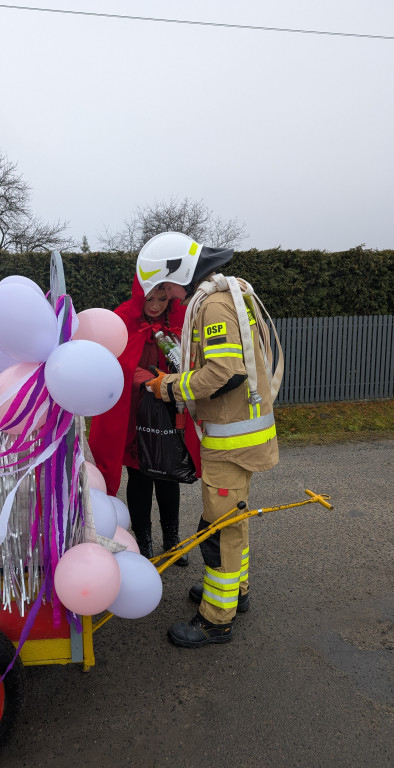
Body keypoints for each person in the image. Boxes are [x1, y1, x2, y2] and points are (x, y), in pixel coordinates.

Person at [137, 231, 281, 648]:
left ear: (178, 270)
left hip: (231, 442)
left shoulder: (214, 304)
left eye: (166, 285)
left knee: (219, 528)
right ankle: (237, 592)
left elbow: (224, 371)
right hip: (242, 434)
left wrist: (168, 387)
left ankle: (216, 619)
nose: (169, 295)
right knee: (234, 518)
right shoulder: (225, 294)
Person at [89, 276, 201, 564]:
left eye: (161, 300)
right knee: (139, 477)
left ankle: (172, 539)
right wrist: (153, 381)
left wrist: (173, 381)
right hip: (135, 412)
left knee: (169, 475)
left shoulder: (179, 321)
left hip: (169, 410)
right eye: (149, 299)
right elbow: (120, 365)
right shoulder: (123, 319)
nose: (154, 306)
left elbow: (192, 359)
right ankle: (144, 539)